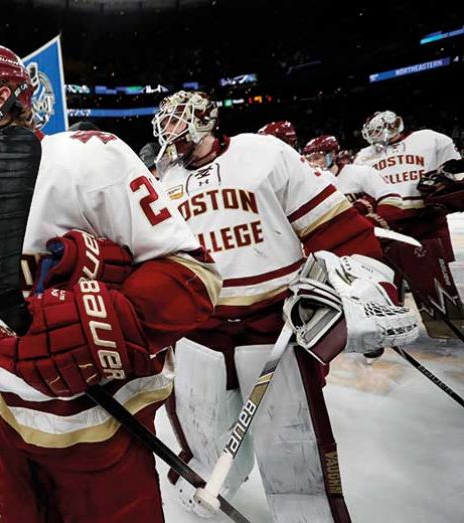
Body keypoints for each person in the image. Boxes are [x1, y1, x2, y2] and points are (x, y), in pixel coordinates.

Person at [0, 43, 221, 522]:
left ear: (2, 93)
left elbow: (193, 274)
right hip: (13, 439)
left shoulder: (86, 159)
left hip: (106, 432)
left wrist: (106, 324)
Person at [153, 90, 386, 522]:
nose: (169, 132)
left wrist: (362, 277)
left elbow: (331, 223)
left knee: (291, 447)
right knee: (203, 439)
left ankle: (307, 512)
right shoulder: (162, 182)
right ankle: (206, 489)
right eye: (164, 124)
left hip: (272, 324)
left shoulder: (262, 152)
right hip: (200, 330)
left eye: (176, 121)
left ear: (204, 118)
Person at [355, 110, 463, 337]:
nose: (373, 136)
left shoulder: (429, 139)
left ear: (393, 125)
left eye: (377, 130)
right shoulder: (364, 155)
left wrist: (443, 182)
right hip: (385, 227)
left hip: (423, 223)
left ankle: (448, 328)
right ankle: (388, 328)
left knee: (432, 283)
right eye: (370, 132)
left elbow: (455, 173)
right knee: (382, 283)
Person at [303, 134, 404, 228]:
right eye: (309, 160)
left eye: (317, 158)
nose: (312, 163)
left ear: (332, 155)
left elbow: (391, 198)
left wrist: (370, 225)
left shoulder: (360, 172)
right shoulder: (311, 186)